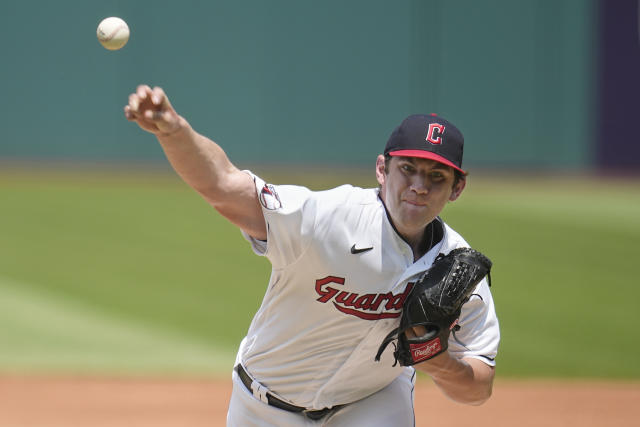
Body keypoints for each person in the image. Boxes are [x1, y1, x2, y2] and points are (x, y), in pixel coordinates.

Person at [125, 85, 500, 426]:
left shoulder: (459, 269)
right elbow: (224, 187)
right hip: (266, 405)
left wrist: (439, 361)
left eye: (437, 177)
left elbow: (478, 389)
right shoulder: (328, 218)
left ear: (457, 188)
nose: (419, 187)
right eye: (408, 170)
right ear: (382, 170)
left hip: (372, 401)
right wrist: (175, 132)